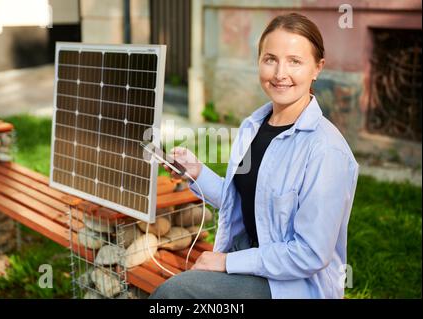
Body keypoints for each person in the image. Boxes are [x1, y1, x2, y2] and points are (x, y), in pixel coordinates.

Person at [149, 12, 359, 299]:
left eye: (295, 61)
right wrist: (197, 172)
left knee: (175, 294)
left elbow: (310, 254)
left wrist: (226, 262)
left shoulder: (327, 151)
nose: (279, 73)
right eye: (270, 59)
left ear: (317, 68)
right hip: (250, 257)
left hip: (292, 285)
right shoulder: (254, 125)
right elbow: (254, 203)